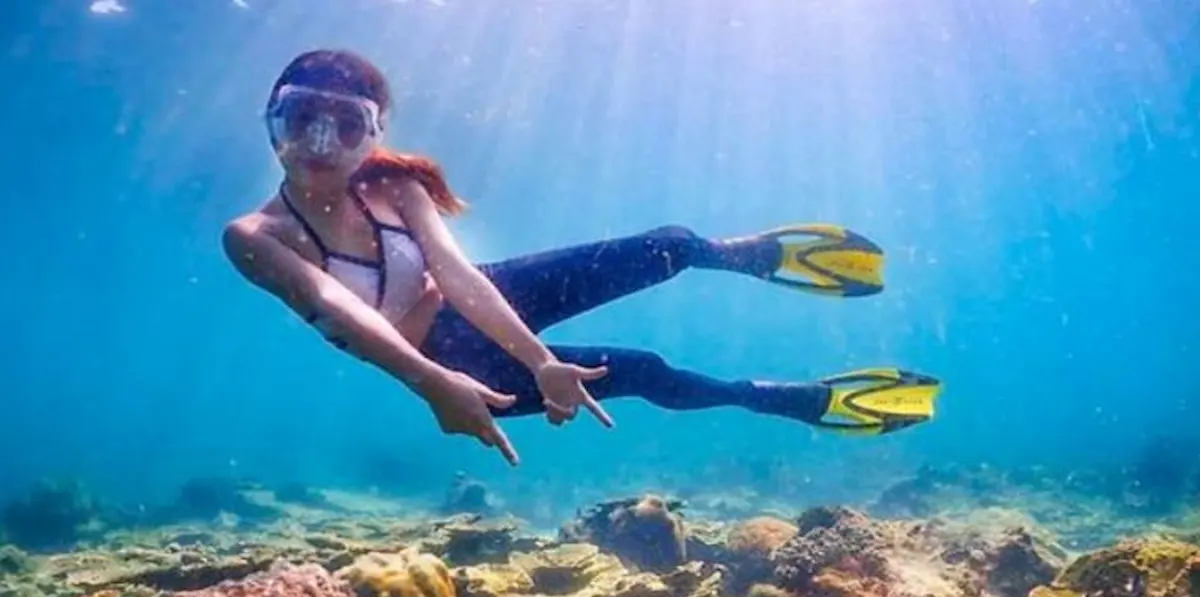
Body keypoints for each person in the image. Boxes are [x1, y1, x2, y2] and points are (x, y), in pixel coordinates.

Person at [223, 49, 942, 466]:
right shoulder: (257, 237)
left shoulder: (397, 187)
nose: (321, 142)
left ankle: (737, 256)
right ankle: (787, 400)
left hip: (475, 306)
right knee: (642, 371)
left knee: (669, 243)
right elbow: (343, 314)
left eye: (348, 125)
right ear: (271, 120)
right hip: (437, 355)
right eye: (302, 118)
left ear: (373, 136)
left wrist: (538, 359)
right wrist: (433, 383)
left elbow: (459, 276)